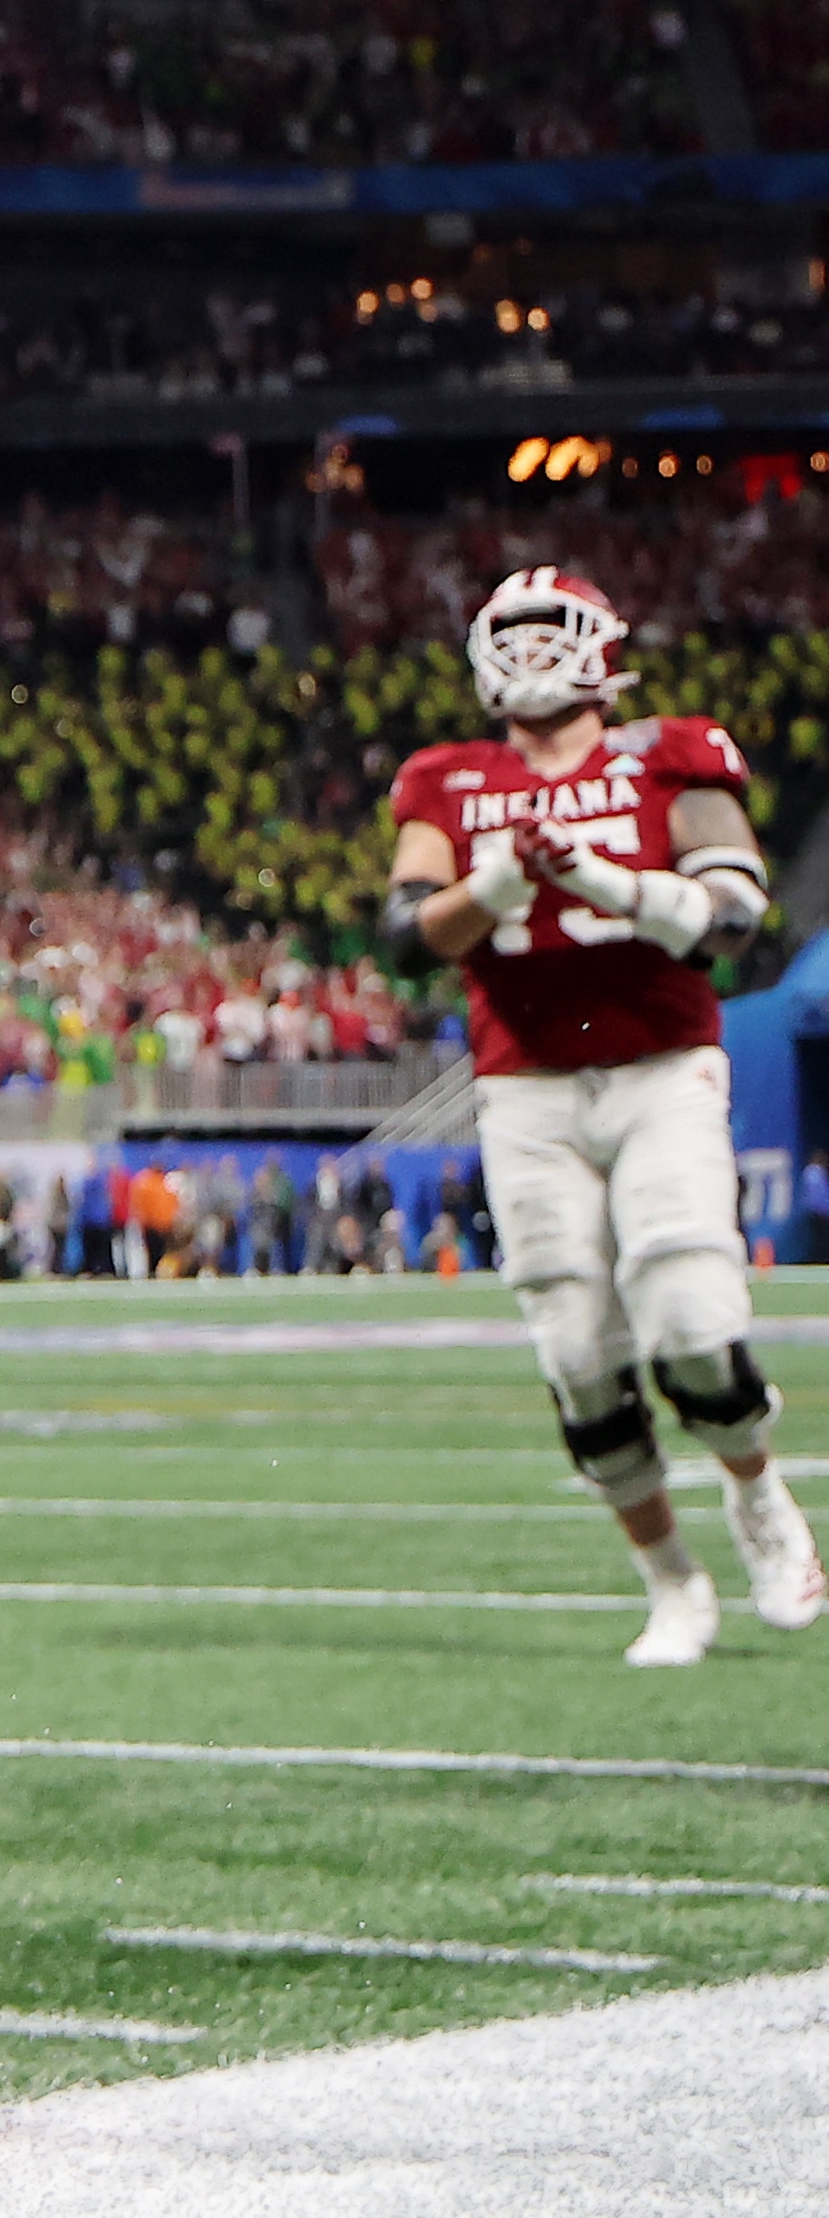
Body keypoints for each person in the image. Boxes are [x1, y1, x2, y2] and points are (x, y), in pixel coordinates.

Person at [380, 564, 815, 1664]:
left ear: (601, 645)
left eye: (547, 632)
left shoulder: (672, 753)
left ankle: (759, 1494)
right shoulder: (445, 777)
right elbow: (406, 930)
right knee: (575, 1342)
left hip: (662, 1064)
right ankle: (671, 1580)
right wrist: (498, 888)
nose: (528, 655)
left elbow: (735, 913)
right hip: (524, 1080)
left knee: (688, 1304)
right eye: (509, 635)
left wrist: (598, 876)